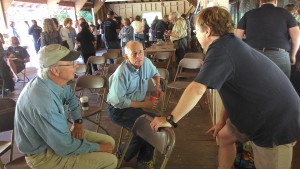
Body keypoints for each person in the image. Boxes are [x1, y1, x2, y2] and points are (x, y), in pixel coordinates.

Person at [150, 6, 300, 169]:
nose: (196, 34)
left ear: (206, 31)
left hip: (275, 122)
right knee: (223, 136)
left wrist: (170, 120)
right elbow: (229, 88)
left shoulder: (221, 50)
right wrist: (222, 121)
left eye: (196, 31)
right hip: (255, 112)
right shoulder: (227, 44)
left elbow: (197, 89)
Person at [14, 44, 117, 169]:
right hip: (43, 156)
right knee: (110, 160)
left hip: (56, 140)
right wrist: (99, 148)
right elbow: (64, 147)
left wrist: (78, 121)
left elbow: (72, 98)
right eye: (71, 63)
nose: (76, 65)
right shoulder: (44, 101)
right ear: (55, 70)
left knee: (109, 142)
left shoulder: (53, 82)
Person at [107, 41, 163, 169]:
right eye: (134, 54)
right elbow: (118, 101)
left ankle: (141, 159)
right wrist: (145, 104)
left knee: (153, 123)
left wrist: (158, 87)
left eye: (141, 52)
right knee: (147, 127)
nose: (139, 56)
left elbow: (155, 74)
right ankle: (124, 155)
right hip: (118, 110)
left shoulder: (146, 62)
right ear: (127, 57)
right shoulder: (121, 73)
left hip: (135, 107)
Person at [236, 0, 300, 78]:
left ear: (260, 1)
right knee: (280, 88)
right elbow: (296, 36)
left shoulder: (248, 14)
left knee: (255, 87)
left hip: (254, 56)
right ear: (276, 1)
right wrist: (293, 55)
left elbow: (237, 38)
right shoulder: (286, 14)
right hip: (280, 56)